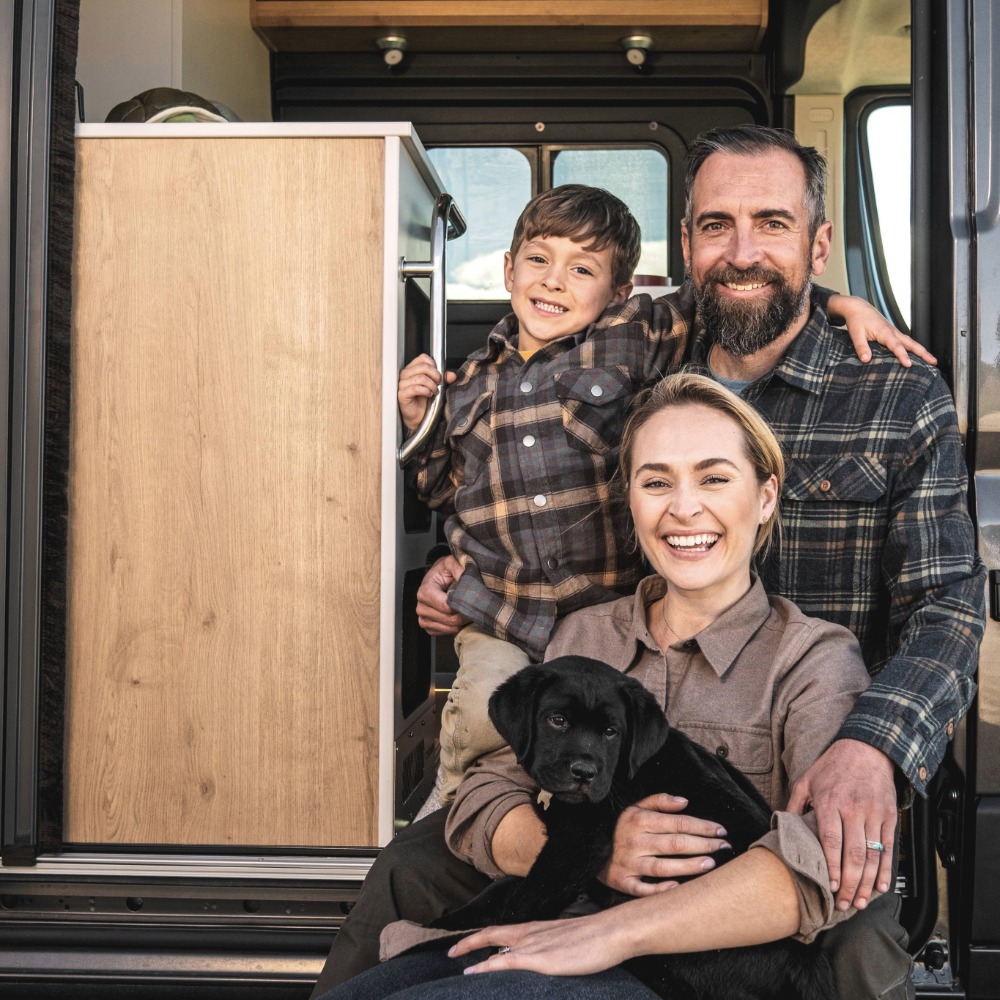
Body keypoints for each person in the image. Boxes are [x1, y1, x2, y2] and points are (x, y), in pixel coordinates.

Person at [323, 125, 985, 1000]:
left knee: (832, 929)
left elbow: (946, 607)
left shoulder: (893, 395)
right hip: (611, 745)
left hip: (795, 770)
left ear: (819, 245)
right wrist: (466, 571)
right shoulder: (635, 350)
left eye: (773, 225)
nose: (742, 252)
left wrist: (871, 747)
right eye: (717, 225)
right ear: (685, 245)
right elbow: (519, 482)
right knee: (409, 865)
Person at [317, 373, 879, 999]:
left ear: (766, 496)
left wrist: (617, 929)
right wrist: (594, 854)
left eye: (715, 478)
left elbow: (825, 867)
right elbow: (486, 793)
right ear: (630, 499)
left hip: (682, 969)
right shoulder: (585, 636)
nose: (683, 507)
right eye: (656, 481)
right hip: (549, 930)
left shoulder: (813, 661)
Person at [398, 183, 926, 815]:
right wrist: (416, 421)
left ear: (618, 292)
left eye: (583, 269)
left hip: (605, 620)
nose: (555, 282)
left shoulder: (630, 337)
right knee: (487, 723)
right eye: (539, 261)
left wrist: (841, 303)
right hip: (503, 612)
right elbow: (440, 490)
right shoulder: (467, 384)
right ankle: (447, 829)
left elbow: (734, 291)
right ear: (509, 269)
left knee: (603, 748)